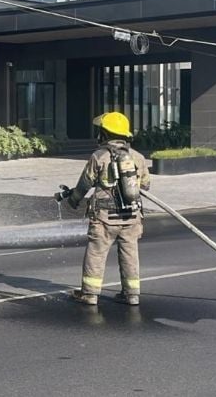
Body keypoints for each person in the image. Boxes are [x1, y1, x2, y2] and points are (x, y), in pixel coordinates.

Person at [60, 111, 151, 306]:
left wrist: (74, 200)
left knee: (96, 253)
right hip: (131, 216)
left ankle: (90, 294)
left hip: (104, 217)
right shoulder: (138, 157)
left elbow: (85, 183)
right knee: (130, 254)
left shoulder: (99, 156)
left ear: (106, 134)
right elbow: (145, 186)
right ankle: (132, 294)